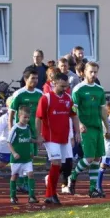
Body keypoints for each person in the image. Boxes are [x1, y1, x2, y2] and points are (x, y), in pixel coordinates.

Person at [67, 62, 110, 198]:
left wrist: (107, 127)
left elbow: (103, 110)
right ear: (84, 72)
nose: (93, 74)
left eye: (95, 72)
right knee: (89, 157)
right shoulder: (78, 89)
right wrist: (79, 124)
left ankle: (92, 189)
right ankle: (72, 176)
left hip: (97, 127)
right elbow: (73, 109)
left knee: (97, 158)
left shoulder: (99, 89)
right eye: (91, 72)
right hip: (85, 128)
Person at [36, 72, 80, 205]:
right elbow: (38, 118)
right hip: (50, 137)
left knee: (63, 165)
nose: (65, 89)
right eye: (62, 86)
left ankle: (50, 192)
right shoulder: (46, 98)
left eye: (66, 86)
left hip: (64, 137)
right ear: (53, 83)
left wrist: (77, 132)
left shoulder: (68, 98)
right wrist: (38, 135)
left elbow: (74, 115)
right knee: (56, 163)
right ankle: (51, 194)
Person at [9, 68, 43, 192]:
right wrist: (10, 129)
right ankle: (21, 183)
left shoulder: (40, 94)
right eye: (32, 78)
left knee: (31, 155)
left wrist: (40, 133)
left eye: (36, 78)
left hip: (34, 130)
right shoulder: (19, 94)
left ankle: (22, 182)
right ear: (25, 79)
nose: (35, 81)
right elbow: (11, 113)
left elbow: (43, 114)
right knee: (23, 155)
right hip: (21, 131)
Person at [8, 105, 38, 204]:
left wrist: (35, 143)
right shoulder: (15, 129)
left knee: (31, 174)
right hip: (17, 158)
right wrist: (14, 153)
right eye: (25, 117)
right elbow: (9, 142)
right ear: (19, 116)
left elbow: (28, 139)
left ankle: (32, 196)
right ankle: (13, 196)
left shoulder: (28, 127)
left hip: (26, 158)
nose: (26, 119)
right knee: (14, 176)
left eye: (28, 117)